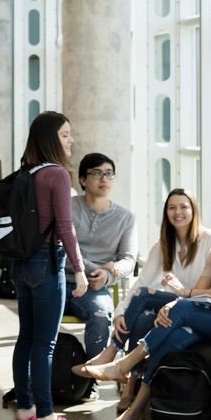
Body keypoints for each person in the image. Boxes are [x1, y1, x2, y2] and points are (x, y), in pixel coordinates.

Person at [81, 185, 211, 420]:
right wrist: (177, 300)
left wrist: (184, 296)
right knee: (174, 337)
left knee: (180, 308)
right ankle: (134, 412)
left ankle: (124, 364)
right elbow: (198, 291)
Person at [70, 188, 211, 420]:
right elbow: (141, 282)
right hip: (174, 307)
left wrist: (177, 299)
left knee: (147, 296)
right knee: (144, 317)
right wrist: (119, 314)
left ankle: (112, 354)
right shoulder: (163, 245)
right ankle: (129, 388)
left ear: (194, 210)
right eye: (172, 207)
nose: (177, 212)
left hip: (198, 306)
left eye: (183, 207)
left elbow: (209, 290)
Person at [6, 111, 91, 420]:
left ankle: (25, 407)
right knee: (46, 343)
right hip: (48, 262)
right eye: (66, 135)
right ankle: (46, 415)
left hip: (22, 263)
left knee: (26, 338)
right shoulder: (57, 175)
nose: (71, 140)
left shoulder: (27, 171)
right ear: (51, 138)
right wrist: (79, 270)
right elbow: (66, 228)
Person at [64, 152, 137, 358]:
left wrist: (108, 276)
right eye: (97, 173)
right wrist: (95, 268)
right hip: (60, 279)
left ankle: (92, 378)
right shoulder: (67, 208)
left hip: (95, 287)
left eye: (109, 173)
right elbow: (62, 248)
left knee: (101, 314)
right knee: (41, 315)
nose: (104, 179)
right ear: (82, 180)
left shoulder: (125, 218)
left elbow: (128, 260)